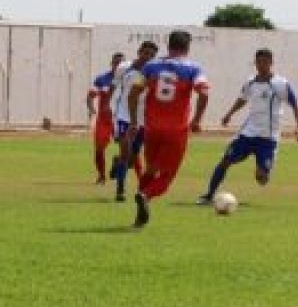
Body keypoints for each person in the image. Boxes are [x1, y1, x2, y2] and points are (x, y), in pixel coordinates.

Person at [198, 49, 298, 205]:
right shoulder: (250, 82)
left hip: (268, 138)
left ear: (271, 62)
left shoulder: (280, 84)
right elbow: (242, 99)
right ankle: (209, 195)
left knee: (261, 179)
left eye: (265, 62)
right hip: (247, 134)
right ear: (255, 63)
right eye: (258, 62)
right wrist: (229, 114)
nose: (261, 65)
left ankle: (263, 169)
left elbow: (295, 106)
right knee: (225, 161)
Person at [126, 31, 210, 228]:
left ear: (168, 45)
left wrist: (132, 122)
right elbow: (204, 93)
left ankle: (141, 209)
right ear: (187, 48)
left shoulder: (151, 66)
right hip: (176, 131)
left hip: (152, 128)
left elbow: (133, 94)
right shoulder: (193, 68)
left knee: (151, 169)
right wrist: (197, 120)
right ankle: (144, 195)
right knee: (166, 177)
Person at [111, 42, 158, 201]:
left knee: (131, 158)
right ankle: (120, 191)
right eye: (145, 53)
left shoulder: (153, 72)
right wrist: (107, 106)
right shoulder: (124, 68)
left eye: (152, 55)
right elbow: (114, 86)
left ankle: (117, 163)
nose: (148, 57)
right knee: (125, 151)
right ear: (139, 52)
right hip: (124, 115)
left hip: (142, 119)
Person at [87, 52, 125, 184]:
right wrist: (91, 107)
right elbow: (91, 94)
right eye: (116, 63)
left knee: (127, 151)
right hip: (104, 120)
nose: (118, 65)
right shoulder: (102, 79)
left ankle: (117, 163)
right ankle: (102, 176)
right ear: (112, 64)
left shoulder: (129, 80)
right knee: (99, 149)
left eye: (121, 63)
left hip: (121, 119)